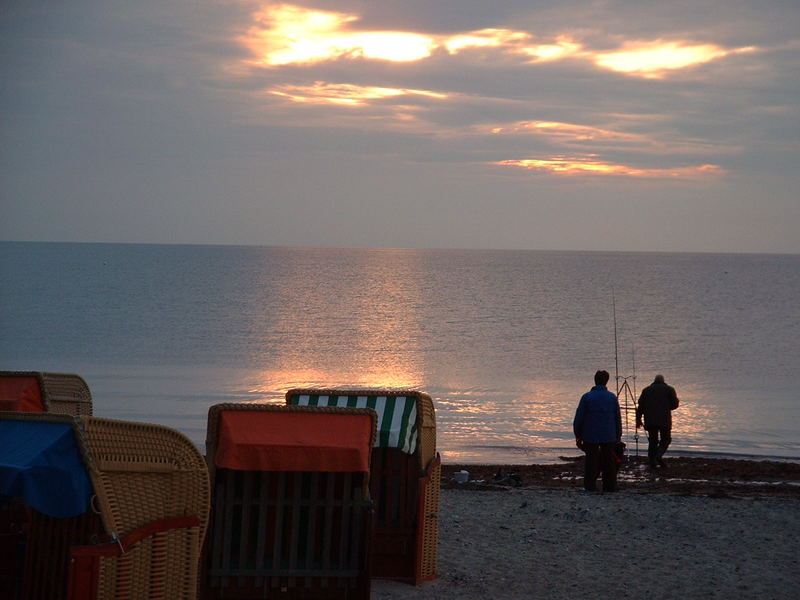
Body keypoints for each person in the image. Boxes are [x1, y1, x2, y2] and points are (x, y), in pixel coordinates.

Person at [573, 370, 622, 492]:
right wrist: (618, 435)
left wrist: (578, 435)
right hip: (609, 435)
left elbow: (579, 417)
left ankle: (590, 486)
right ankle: (609, 487)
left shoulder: (587, 397)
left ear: (595, 380)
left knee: (591, 461)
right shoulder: (612, 397)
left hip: (590, 435)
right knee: (609, 462)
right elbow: (617, 418)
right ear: (606, 381)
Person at [636, 374, 680, 468]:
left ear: (654, 381)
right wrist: (667, 407)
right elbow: (675, 405)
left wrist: (638, 419)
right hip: (664, 420)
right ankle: (658, 455)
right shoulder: (669, 389)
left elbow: (640, 406)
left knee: (653, 441)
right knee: (666, 439)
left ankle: (652, 461)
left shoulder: (646, 390)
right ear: (663, 381)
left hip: (650, 420)